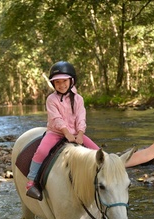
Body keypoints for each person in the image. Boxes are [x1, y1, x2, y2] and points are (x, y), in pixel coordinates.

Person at [26, 61, 99, 200]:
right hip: (56, 132)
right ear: (53, 84)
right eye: (57, 82)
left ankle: (102, 178)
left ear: (71, 81)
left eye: (64, 81)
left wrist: (80, 134)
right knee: (41, 151)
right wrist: (66, 133)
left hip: (76, 132)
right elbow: (56, 118)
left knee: (97, 152)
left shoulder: (79, 99)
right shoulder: (51, 99)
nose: (61, 85)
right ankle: (31, 181)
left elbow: (81, 117)